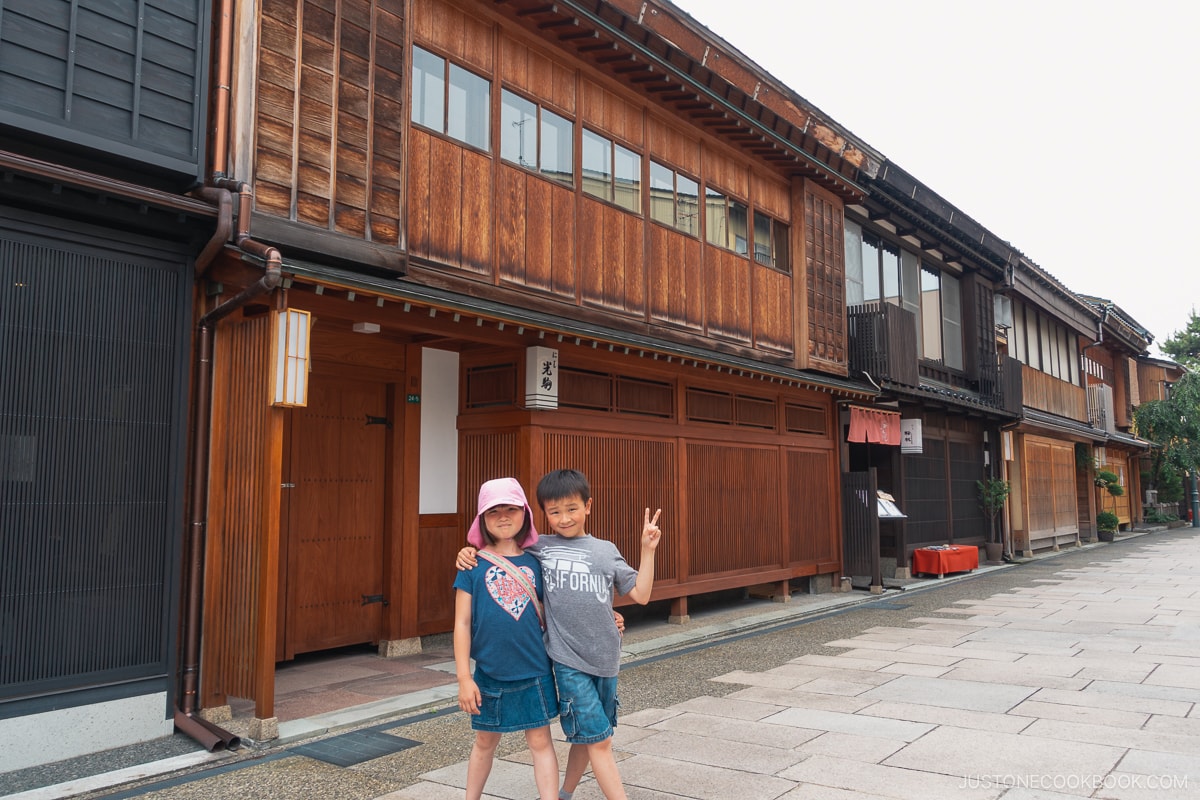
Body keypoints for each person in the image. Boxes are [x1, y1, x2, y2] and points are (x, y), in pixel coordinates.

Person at [458, 468, 662, 800]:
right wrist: (467, 551)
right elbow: (499, 556)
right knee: (600, 739)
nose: (564, 518)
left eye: (571, 509)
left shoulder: (603, 550)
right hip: (564, 661)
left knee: (591, 734)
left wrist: (648, 550)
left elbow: (640, 594)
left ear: (588, 506)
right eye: (554, 512)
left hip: (605, 659)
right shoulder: (540, 549)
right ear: (542, 514)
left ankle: (564, 792)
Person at [453, 477, 560, 800]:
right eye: (493, 511)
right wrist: (463, 678)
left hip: (535, 668)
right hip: (488, 671)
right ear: (481, 519)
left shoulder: (537, 562)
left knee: (540, 741)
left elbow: (562, 606)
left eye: (511, 509)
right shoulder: (471, 564)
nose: (502, 517)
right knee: (485, 741)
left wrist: (608, 615)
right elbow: (461, 622)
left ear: (525, 513)